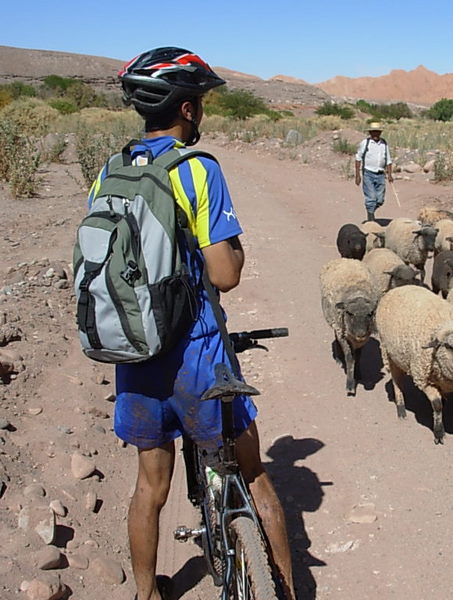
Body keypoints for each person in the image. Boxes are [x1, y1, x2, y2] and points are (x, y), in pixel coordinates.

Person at [94, 47, 295, 600]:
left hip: (134, 351)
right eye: (199, 102)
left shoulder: (111, 170)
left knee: (148, 486)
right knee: (254, 475)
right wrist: (235, 250)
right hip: (197, 353)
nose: (201, 111)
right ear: (186, 109)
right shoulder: (196, 169)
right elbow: (224, 275)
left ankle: (145, 593)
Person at [354, 121, 393, 222]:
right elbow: (358, 158)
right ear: (370, 133)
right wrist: (357, 175)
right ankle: (371, 220)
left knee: (380, 199)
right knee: (371, 197)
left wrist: (390, 174)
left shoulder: (384, 144)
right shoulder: (365, 143)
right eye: (373, 132)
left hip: (380, 174)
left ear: (380, 133)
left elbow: (388, 159)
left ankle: (370, 210)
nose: (375, 134)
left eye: (377, 132)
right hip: (368, 174)